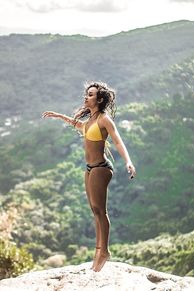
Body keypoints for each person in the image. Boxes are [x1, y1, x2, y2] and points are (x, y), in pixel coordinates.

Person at [42, 81, 136, 272]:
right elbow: (78, 125)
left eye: (91, 94)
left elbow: (117, 141)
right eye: (86, 93)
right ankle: (98, 250)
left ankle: (104, 252)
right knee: (95, 210)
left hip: (101, 168)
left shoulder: (104, 119)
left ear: (99, 99)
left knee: (101, 211)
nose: (86, 96)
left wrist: (128, 161)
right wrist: (59, 116)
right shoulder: (90, 121)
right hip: (90, 168)